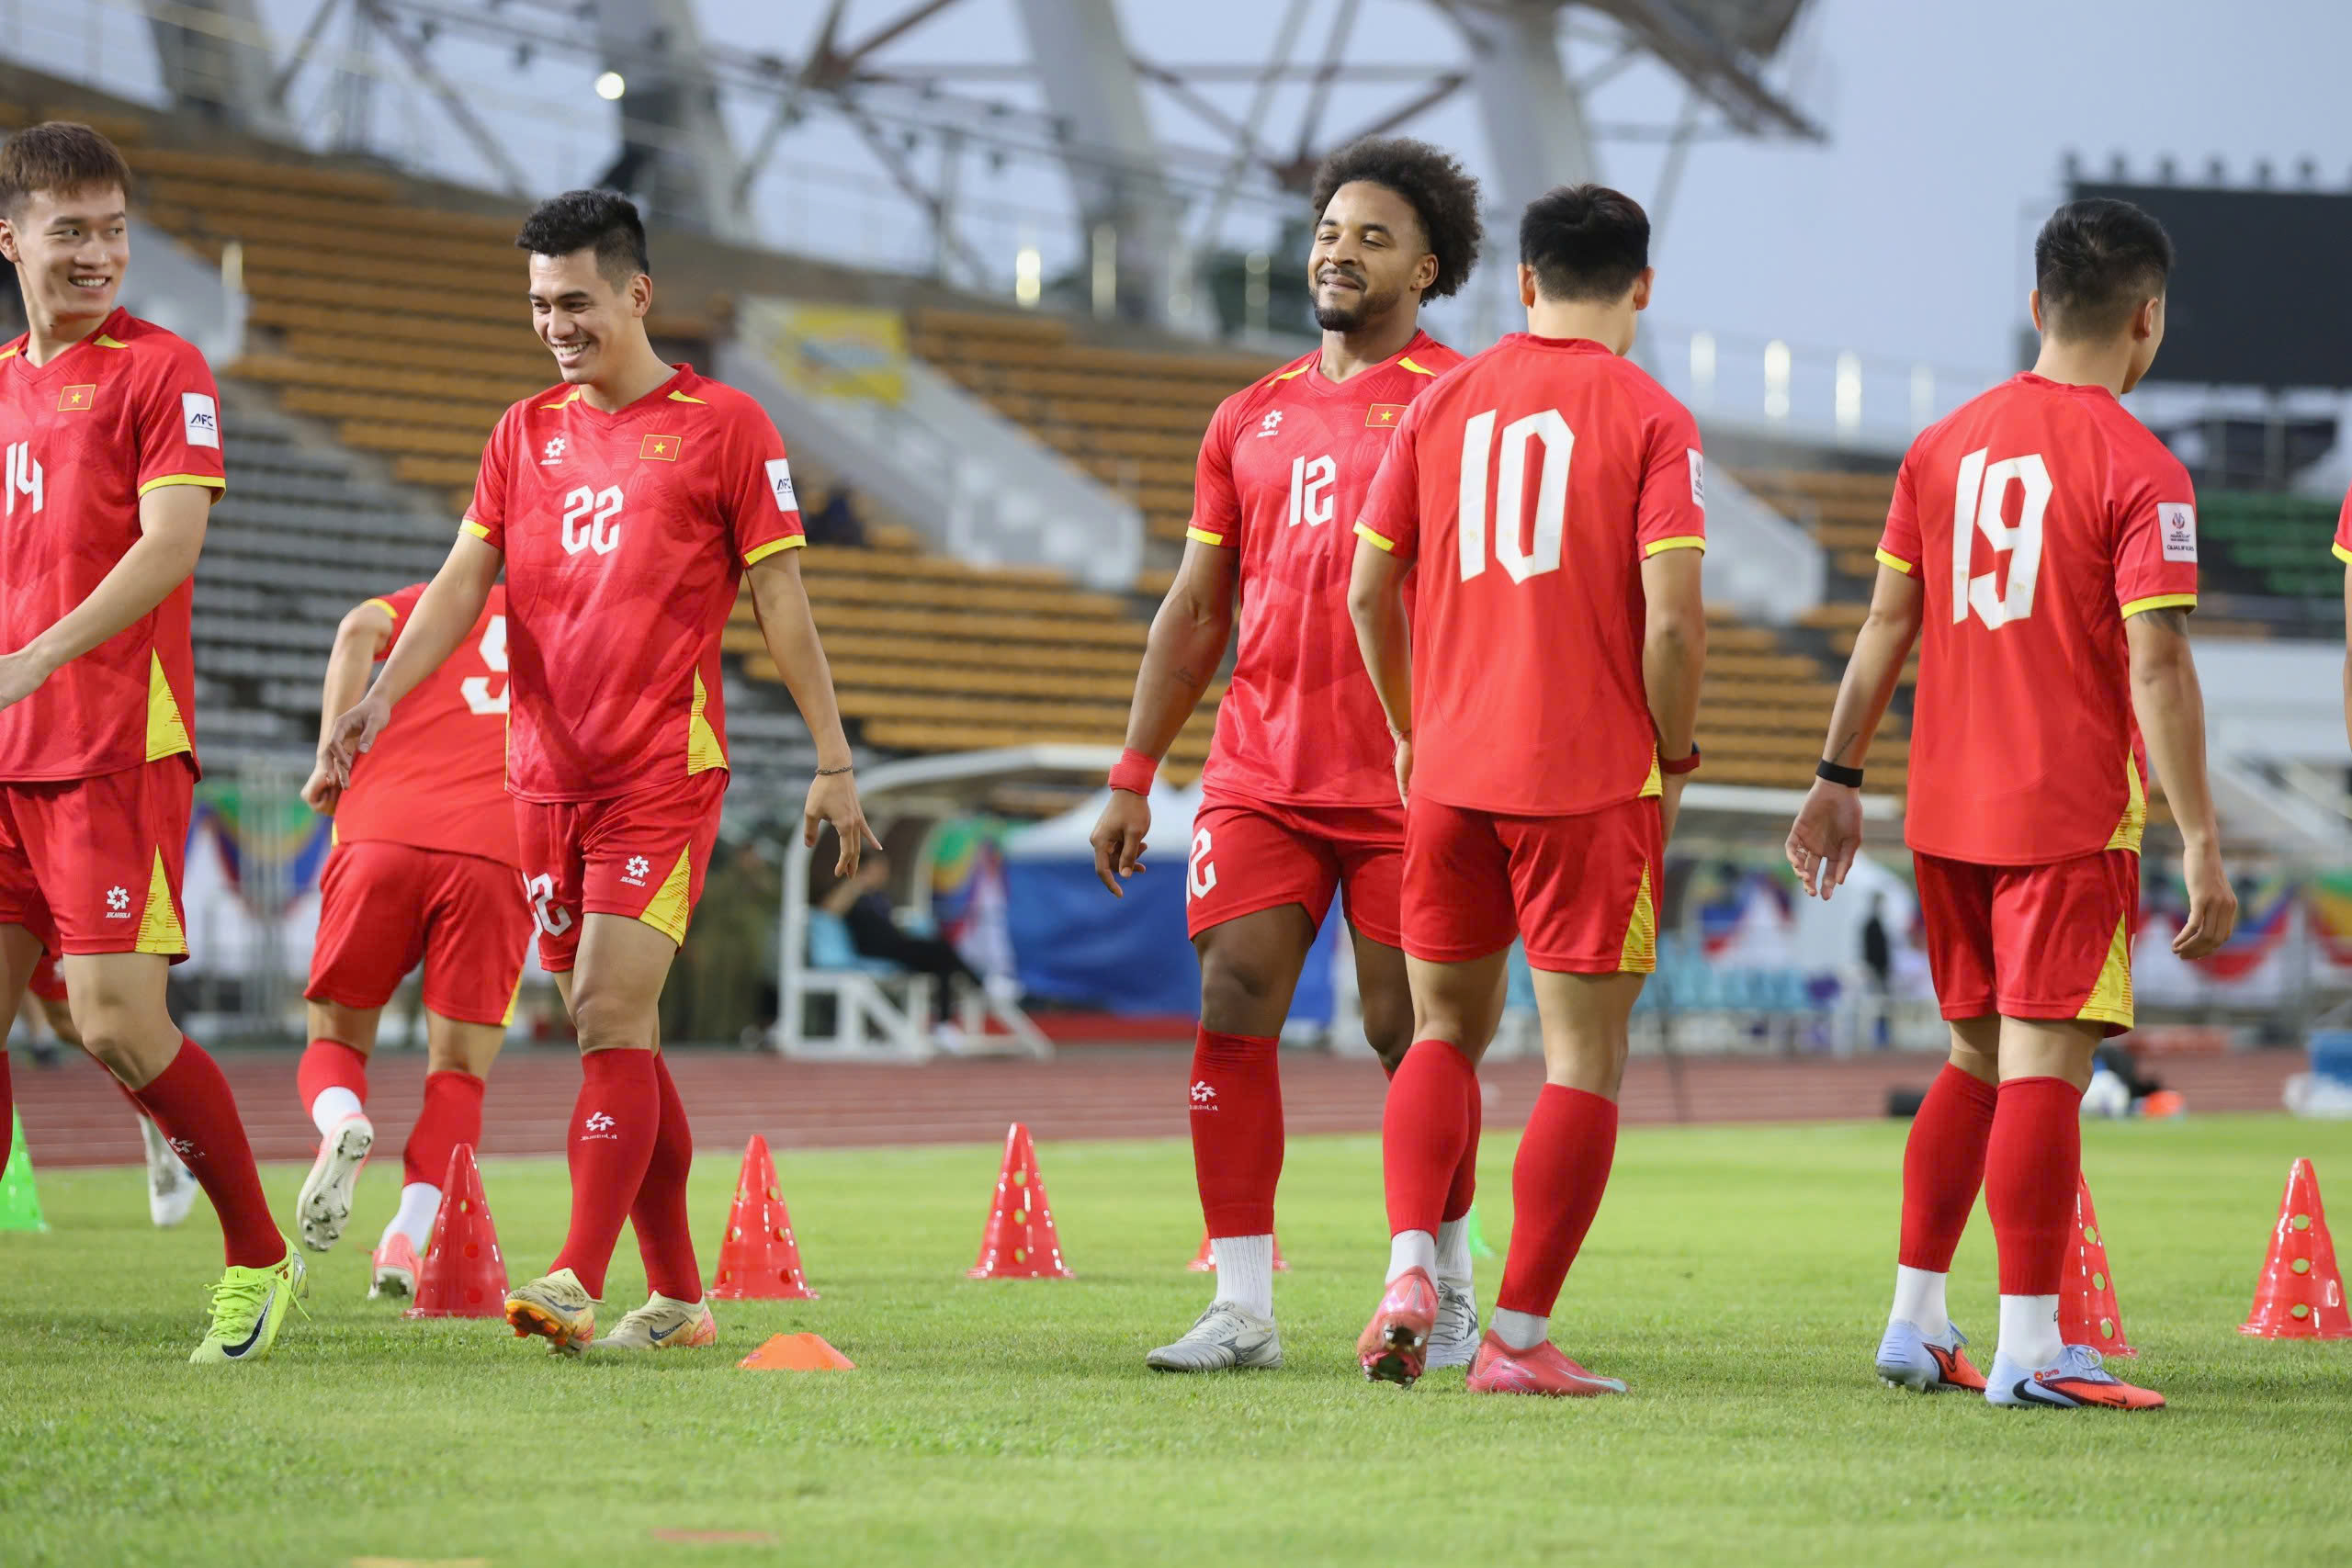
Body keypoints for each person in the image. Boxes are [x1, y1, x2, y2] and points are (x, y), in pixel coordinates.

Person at [324, 189, 874, 1357]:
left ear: (636, 293)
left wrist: (833, 758)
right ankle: (677, 1295)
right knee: (615, 1038)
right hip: (539, 779)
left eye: (575, 300)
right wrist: (379, 700)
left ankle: (575, 1272)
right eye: (538, 305)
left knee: (606, 1010)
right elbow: (462, 583)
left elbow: (781, 601)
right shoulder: (520, 434)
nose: (555, 324)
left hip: (659, 770)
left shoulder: (727, 425)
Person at [1785, 197, 2237, 1411]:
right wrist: (2202, 837)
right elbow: (2158, 664)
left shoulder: (1939, 446)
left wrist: (1836, 779)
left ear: (2037, 306)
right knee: (2043, 1066)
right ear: (2147, 323)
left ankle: (1916, 1318)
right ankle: (2034, 1344)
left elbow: (1885, 623)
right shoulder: (2143, 466)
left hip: (1944, 809)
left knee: (1971, 1060)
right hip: (2065, 810)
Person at [1086, 138, 1486, 1373]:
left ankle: (1444, 1279)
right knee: (1231, 999)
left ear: (1427, 267)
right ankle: (1244, 1304)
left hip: (1414, 775)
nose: (1338, 252)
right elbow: (1199, 607)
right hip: (1263, 766)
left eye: (1371, 237)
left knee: (1401, 1030)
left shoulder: (1460, 401)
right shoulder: (1246, 415)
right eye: (1328, 231)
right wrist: (1133, 769)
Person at [1347, 183, 1705, 1396]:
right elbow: (1673, 620)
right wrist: (1678, 743)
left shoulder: (1441, 398)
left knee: (1443, 1029)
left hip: (1450, 773)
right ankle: (1517, 1336)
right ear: (1643, 289)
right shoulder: (1655, 415)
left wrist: (1410, 730)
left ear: (1525, 283)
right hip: (1588, 776)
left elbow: (1364, 592)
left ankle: (1408, 1265)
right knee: (1579, 1063)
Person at [0, 121, 301, 1362]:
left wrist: (35, 658)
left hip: (113, 737)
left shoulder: (161, 368)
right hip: (5, 748)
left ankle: (258, 1255)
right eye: (70, 230)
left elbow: (170, 545)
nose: (97, 253)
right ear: (9, 236)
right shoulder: (2, 380)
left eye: (113, 231)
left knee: (119, 1020)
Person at [294, 581, 532, 1300]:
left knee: (335, 1034)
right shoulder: (568, 614)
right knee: (458, 1070)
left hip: (384, 827)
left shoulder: (443, 599)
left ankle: (344, 1119)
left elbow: (356, 626)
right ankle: (407, 1233)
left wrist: (328, 756)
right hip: (498, 848)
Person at [12, 950, 198, 1226]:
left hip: (55, 913)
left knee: (86, 1024)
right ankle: (160, 1121)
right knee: (65, 1023)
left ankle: (165, 1128)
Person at [822, 850, 983, 1043]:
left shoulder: (879, 897)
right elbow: (829, 910)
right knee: (941, 951)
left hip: (895, 945)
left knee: (943, 962)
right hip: (877, 949)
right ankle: (980, 984)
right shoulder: (851, 893)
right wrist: (857, 881)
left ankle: (944, 1023)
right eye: (878, 868)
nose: (883, 873)